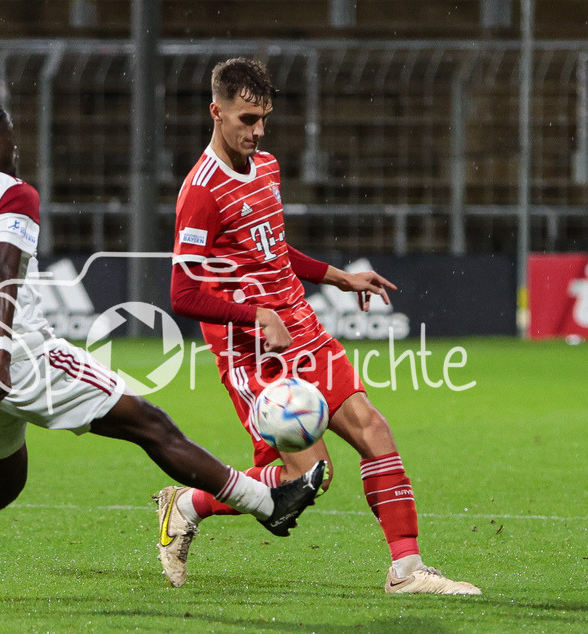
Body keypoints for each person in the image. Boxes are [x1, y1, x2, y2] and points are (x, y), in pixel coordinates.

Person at [0, 96, 325, 607]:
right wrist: (3, 350)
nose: (18, 149)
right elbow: (1, 269)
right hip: (21, 357)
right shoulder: (13, 193)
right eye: (13, 139)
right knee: (150, 423)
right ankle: (267, 503)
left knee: (4, 479)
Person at [157, 58, 480, 595]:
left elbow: (274, 251)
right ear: (216, 112)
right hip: (250, 352)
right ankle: (188, 502)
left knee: (374, 430)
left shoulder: (267, 167)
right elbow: (182, 294)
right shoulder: (200, 192)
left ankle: (406, 570)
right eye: (245, 119)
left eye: (263, 119)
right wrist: (256, 315)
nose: (256, 131)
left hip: (302, 328)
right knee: (308, 479)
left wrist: (339, 278)